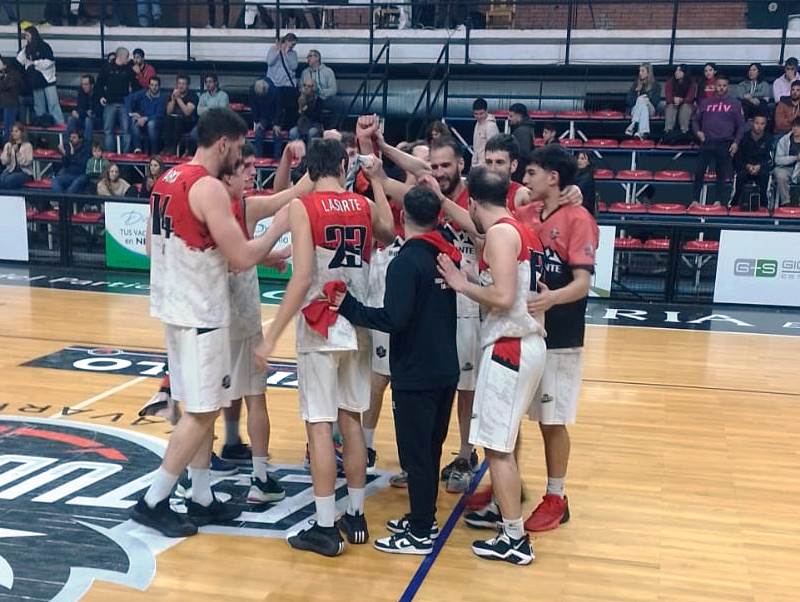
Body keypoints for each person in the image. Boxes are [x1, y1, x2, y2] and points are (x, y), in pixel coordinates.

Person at [129, 107, 288, 537]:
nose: (239, 158)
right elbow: (239, 257)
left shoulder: (167, 178)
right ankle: (154, 499)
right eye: (238, 150)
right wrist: (275, 236)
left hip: (172, 305)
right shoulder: (209, 188)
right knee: (201, 413)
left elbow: (148, 243)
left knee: (198, 407)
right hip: (200, 310)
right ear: (223, 144)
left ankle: (201, 496)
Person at [254, 139, 395, 557]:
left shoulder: (303, 207)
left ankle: (324, 526)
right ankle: (355, 513)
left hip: (320, 325)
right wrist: (379, 183)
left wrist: (272, 334)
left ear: (311, 173)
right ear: (343, 165)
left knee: (319, 424)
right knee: (351, 419)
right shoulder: (364, 205)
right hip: (358, 321)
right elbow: (388, 230)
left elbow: (301, 279)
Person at [332, 186, 460, 555]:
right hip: (444, 368)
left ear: (403, 218)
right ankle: (425, 516)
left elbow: (393, 319)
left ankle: (421, 531)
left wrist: (350, 307)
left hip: (417, 372)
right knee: (430, 451)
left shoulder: (406, 262)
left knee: (417, 455)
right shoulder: (443, 253)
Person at [437, 166, 546, 565]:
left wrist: (459, 282)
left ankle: (515, 540)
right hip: (526, 341)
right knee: (505, 442)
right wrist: (470, 273)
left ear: (473, 202)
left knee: (497, 449)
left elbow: (502, 297)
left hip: (511, 347)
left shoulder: (500, 233)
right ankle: (507, 518)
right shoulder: (520, 230)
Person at [519, 144, 598, 534]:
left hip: (561, 335)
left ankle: (557, 496)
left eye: (531, 173)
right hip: (525, 330)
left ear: (553, 177)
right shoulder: (529, 213)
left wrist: (551, 298)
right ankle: (509, 483)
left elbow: (583, 283)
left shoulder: (579, 218)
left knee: (552, 420)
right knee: (513, 415)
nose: (525, 179)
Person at [692, 74, 744, 206]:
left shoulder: (735, 104)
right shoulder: (705, 102)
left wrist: (736, 142)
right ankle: (695, 200)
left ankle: (718, 201)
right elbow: (695, 121)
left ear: (728, 87)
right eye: (719, 85)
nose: (721, 88)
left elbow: (741, 126)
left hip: (725, 142)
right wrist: (698, 132)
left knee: (721, 174)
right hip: (707, 141)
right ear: (715, 85)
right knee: (699, 172)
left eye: (724, 86)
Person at [17, 26, 64, 126]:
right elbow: (19, 60)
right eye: (25, 36)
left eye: (27, 35)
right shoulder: (27, 49)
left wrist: (35, 63)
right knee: (39, 106)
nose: (26, 38)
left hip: (48, 80)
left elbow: (50, 62)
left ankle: (60, 124)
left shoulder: (44, 46)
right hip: (36, 82)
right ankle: (41, 123)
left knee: (53, 104)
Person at [96, 47, 137, 151]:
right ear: (121, 56)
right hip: (110, 102)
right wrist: (101, 96)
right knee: (108, 130)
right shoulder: (107, 68)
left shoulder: (129, 69)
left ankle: (125, 157)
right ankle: (110, 155)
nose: (128, 59)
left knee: (126, 131)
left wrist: (137, 74)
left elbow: (136, 85)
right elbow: (99, 84)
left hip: (124, 103)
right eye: (127, 57)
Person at [733, 114, 770, 208]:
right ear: (752, 123)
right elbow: (738, 158)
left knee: (765, 175)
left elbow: (770, 159)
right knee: (741, 176)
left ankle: (763, 205)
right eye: (757, 123)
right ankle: (735, 203)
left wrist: (759, 166)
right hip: (745, 168)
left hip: (761, 168)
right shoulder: (744, 138)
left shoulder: (769, 139)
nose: (759, 126)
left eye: (762, 124)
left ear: (766, 125)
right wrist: (747, 166)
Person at [266, 34, 299, 135]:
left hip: (287, 84)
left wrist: (286, 54)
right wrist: (278, 51)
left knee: (291, 105)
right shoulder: (273, 49)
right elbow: (270, 62)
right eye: (292, 44)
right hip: (275, 84)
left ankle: (289, 127)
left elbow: (294, 66)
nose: (293, 46)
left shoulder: (293, 54)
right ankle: (275, 125)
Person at [127, 75, 167, 154]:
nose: (154, 87)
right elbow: (128, 99)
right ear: (149, 85)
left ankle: (154, 152)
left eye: (156, 85)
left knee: (151, 124)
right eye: (152, 85)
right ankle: (137, 149)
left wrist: (146, 118)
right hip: (142, 121)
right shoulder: (142, 93)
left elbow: (160, 114)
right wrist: (132, 113)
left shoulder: (163, 97)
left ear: (159, 86)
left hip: (157, 123)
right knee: (133, 120)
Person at [163, 74, 198, 156]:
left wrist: (178, 98)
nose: (181, 86)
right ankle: (167, 148)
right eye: (179, 83)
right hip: (173, 121)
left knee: (178, 119)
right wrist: (173, 100)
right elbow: (168, 112)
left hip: (188, 122)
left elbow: (187, 112)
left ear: (188, 85)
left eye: (183, 84)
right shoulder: (172, 94)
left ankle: (175, 148)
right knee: (167, 119)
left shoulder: (192, 96)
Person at [625, 63, 660, 139]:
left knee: (643, 101)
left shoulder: (655, 85)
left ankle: (634, 124)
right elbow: (629, 101)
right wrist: (637, 97)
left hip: (651, 109)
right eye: (640, 71)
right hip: (636, 109)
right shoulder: (636, 84)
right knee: (642, 105)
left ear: (648, 72)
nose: (640, 73)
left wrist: (647, 98)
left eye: (642, 71)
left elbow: (656, 101)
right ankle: (642, 132)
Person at [663, 64, 695, 142]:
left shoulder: (691, 83)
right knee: (670, 106)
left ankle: (684, 132)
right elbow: (668, 97)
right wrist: (674, 100)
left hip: (686, 104)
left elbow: (690, 98)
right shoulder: (670, 82)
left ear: (685, 72)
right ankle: (668, 131)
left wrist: (681, 100)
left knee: (685, 107)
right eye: (676, 70)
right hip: (673, 103)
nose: (676, 72)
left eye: (679, 70)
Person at [250, 79, 281, 159]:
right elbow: (253, 107)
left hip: (274, 116)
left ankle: (277, 160)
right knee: (258, 133)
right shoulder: (252, 90)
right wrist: (257, 121)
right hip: (262, 117)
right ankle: (257, 159)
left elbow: (279, 108)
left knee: (277, 134)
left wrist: (277, 123)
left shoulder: (275, 91)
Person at [67, 74, 102, 145]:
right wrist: (80, 112)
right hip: (83, 118)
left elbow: (96, 111)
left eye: (86, 84)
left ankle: (86, 146)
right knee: (71, 119)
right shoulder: (81, 92)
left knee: (88, 120)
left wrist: (82, 113)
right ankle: (71, 144)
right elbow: (80, 108)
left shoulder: (98, 92)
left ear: (92, 85)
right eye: (82, 84)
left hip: (97, 121)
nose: (84, 87)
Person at [772, 117, 800, 206]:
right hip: (785, 168)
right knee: (780, 175)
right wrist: (795, 158)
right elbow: (778, 160)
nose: (795, 129)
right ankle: (786, 202)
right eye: (794, 126)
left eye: (798, 127)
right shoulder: (784, 140)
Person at [290, 78, 323, 143]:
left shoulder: (318, 101)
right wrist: (300, 107)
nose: (306, 88)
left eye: (309, 86)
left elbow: (316, 117)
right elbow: (293, 117)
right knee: (293, 132)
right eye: (304, 85)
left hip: (314, 125)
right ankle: (297, 152)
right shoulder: (298, 99)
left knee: (312, 132)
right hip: (301, 125)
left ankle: (310, 152)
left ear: (313, 88)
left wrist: (305, 108)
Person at [0, 121, 32, 189]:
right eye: (12, 131)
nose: (13, 133)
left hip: (24, 173)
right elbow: (4, 162)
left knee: (9, 180)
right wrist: (8, 155)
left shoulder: (28, 146)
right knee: (1, 179)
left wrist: (17, 152)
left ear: (21, 132)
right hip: (10, 171)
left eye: (16, 131)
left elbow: (26, 162)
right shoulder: (8, 145)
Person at [508, 102, 536, 177]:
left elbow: (523, 154)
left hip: (519, 173)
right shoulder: (526, 129)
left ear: (519, 116)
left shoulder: (522, 131)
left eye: (511, 116)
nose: (509, 118)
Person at [0, 55, 22, 143]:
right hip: (4, 104)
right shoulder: (5, 74)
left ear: (5, 64)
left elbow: (4, 86)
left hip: (10, 104)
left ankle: (7, 144)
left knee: (8, 127)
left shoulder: (14, 74)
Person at [472, 97, 499, 167]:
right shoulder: (477, 123)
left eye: (481, 113)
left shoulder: (491, 126)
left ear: (487, 111)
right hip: (477, 164)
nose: (478, 116)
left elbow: (493, 149)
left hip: (486, 165)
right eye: (476, 114)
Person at [574, 151, 596, 215]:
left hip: (584, 211)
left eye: (582, 159)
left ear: (589, 162)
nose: (579, 161)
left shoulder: (588, 177)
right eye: (578, 158)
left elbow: (577, 190)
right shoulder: (576, 174)